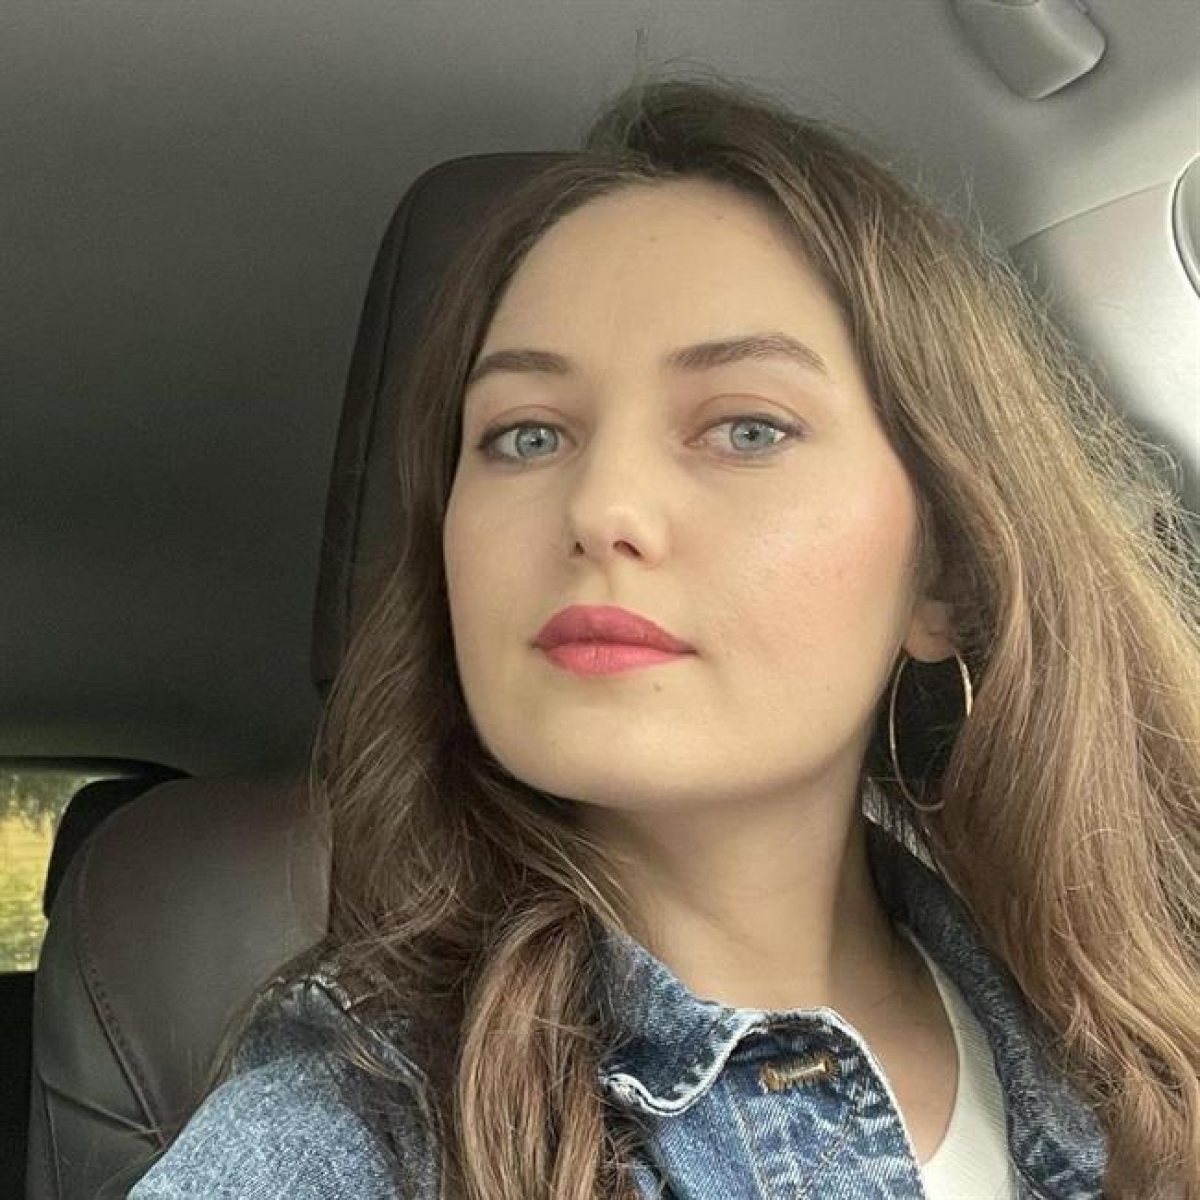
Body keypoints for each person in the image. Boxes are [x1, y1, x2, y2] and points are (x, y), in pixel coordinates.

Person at [128, 71, 1199, 1200]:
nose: (600, 509)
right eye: (527, 436)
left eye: (747, 427)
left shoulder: (1138, 1038)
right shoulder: (344, 1145)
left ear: (945, 579)